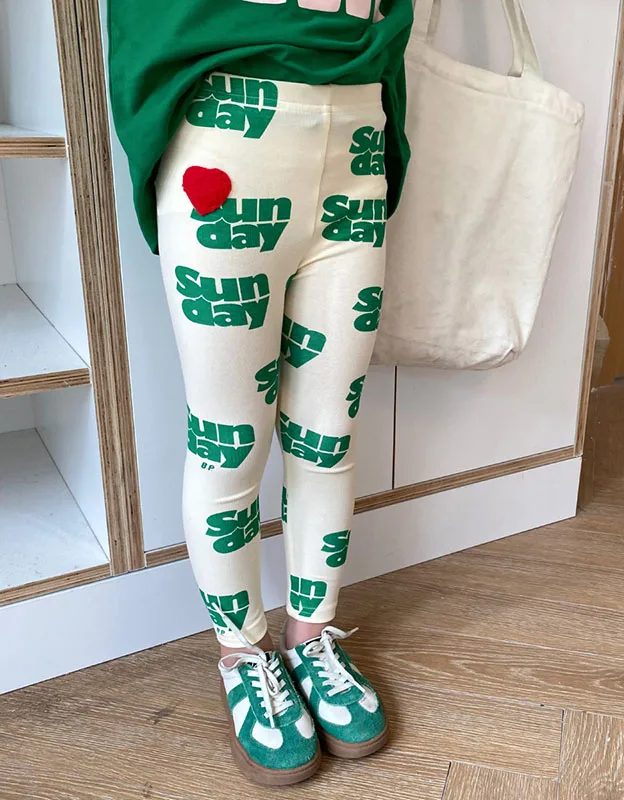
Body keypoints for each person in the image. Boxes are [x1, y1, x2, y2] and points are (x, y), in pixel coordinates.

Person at [108, 0, 413, 786]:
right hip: (225, 134)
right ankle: (244, 654)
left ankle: (311, 639)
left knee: (327, 434)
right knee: (229, 440)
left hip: (357, 133)